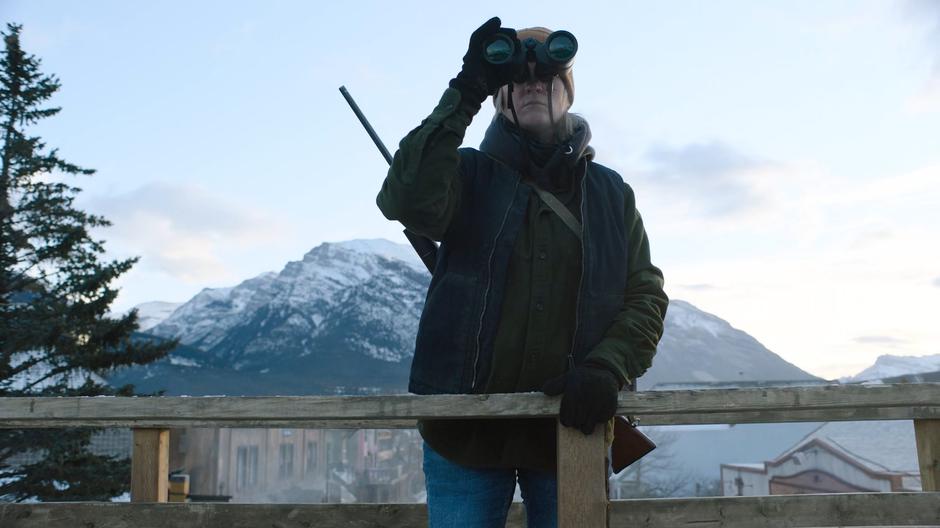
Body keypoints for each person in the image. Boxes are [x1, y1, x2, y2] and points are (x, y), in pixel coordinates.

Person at [376, 17, 668, 528]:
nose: (532, 83)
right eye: (516, 78)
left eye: (547, 76)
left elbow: (644, 294)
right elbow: (404, 199)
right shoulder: (464, 175)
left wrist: (607, 367)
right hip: (463, 429)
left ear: (566, 92)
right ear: (500, 97)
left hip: (570, 426)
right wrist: (465, 89)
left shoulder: (609, 193)